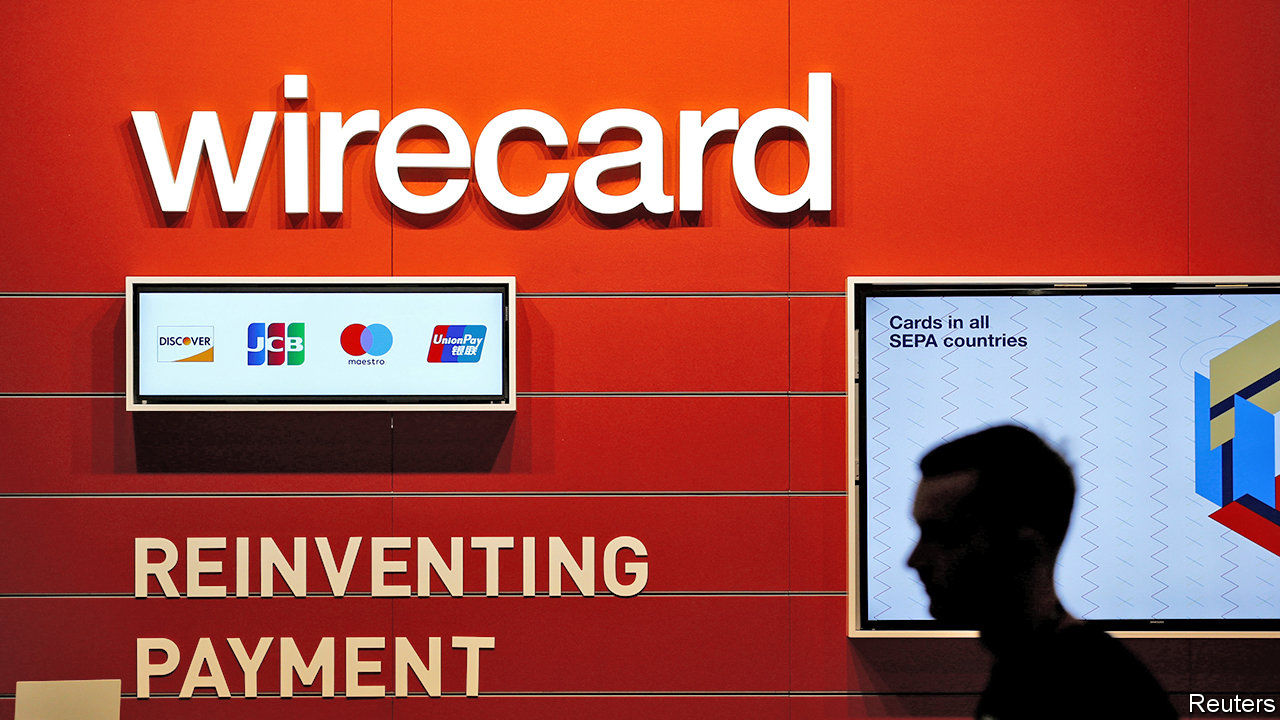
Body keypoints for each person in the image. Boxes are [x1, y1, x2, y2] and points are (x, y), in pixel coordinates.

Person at [908, 425, 1178, 720]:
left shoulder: (1099, 694)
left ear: (1024, 547)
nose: (914, 560)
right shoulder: (1022, 671)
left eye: (942, 535)